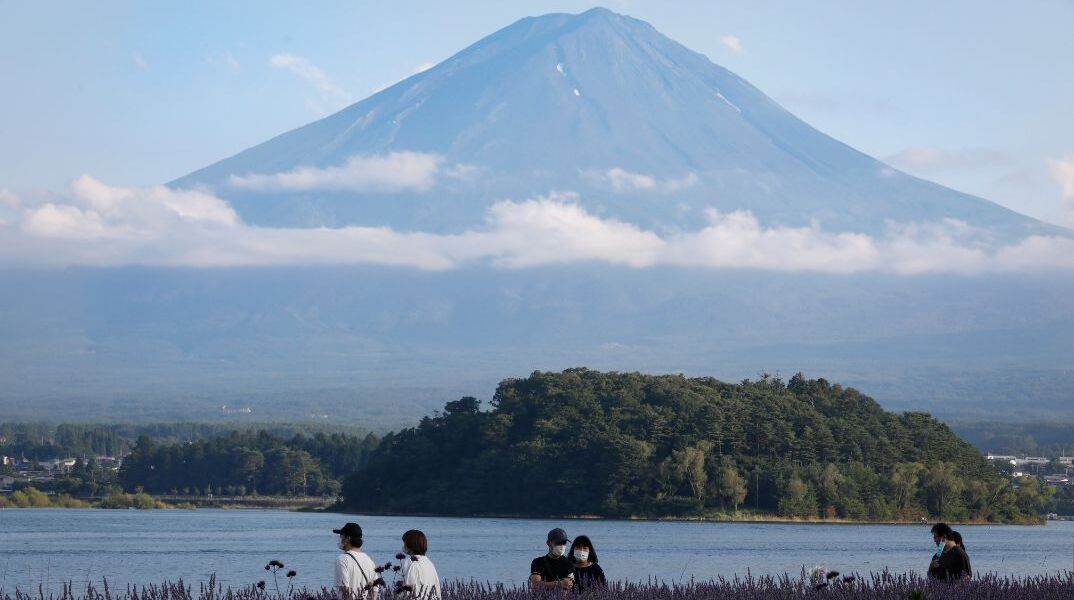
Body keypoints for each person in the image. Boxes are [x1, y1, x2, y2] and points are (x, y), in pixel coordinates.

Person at [333, 522, 378, 600]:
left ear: (347, 539)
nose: (340, 539)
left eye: (341, 536)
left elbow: (345, 588)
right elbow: (375, 588)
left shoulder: (342, 559)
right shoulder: (369, 560)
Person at [399, 529, 441, 600]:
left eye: (404, 543)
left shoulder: (410, 562)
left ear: (410, 545)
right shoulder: (429, 563)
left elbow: (407, 591)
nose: (403, 546)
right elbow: (437, 591)